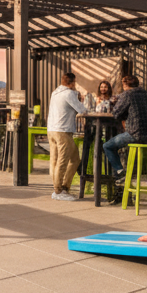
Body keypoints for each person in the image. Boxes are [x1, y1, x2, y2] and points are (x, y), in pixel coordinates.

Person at [103, 74, 147, 180]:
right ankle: (136, 171)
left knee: (107, 146)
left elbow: (116, 114)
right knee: (126, 146)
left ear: (125, 84)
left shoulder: (127, 94)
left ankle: (120, 172)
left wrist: (114, 103)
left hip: (136, 134)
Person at [47, 72, 88, 201]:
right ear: (72, 82)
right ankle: (58, 191)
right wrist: (78, 96)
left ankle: (63, 188)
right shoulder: (69, 93)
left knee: (60, 159)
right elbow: (82, 110)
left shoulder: (55, 92)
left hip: (51, 129)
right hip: (63, 130)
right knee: (64, 160)